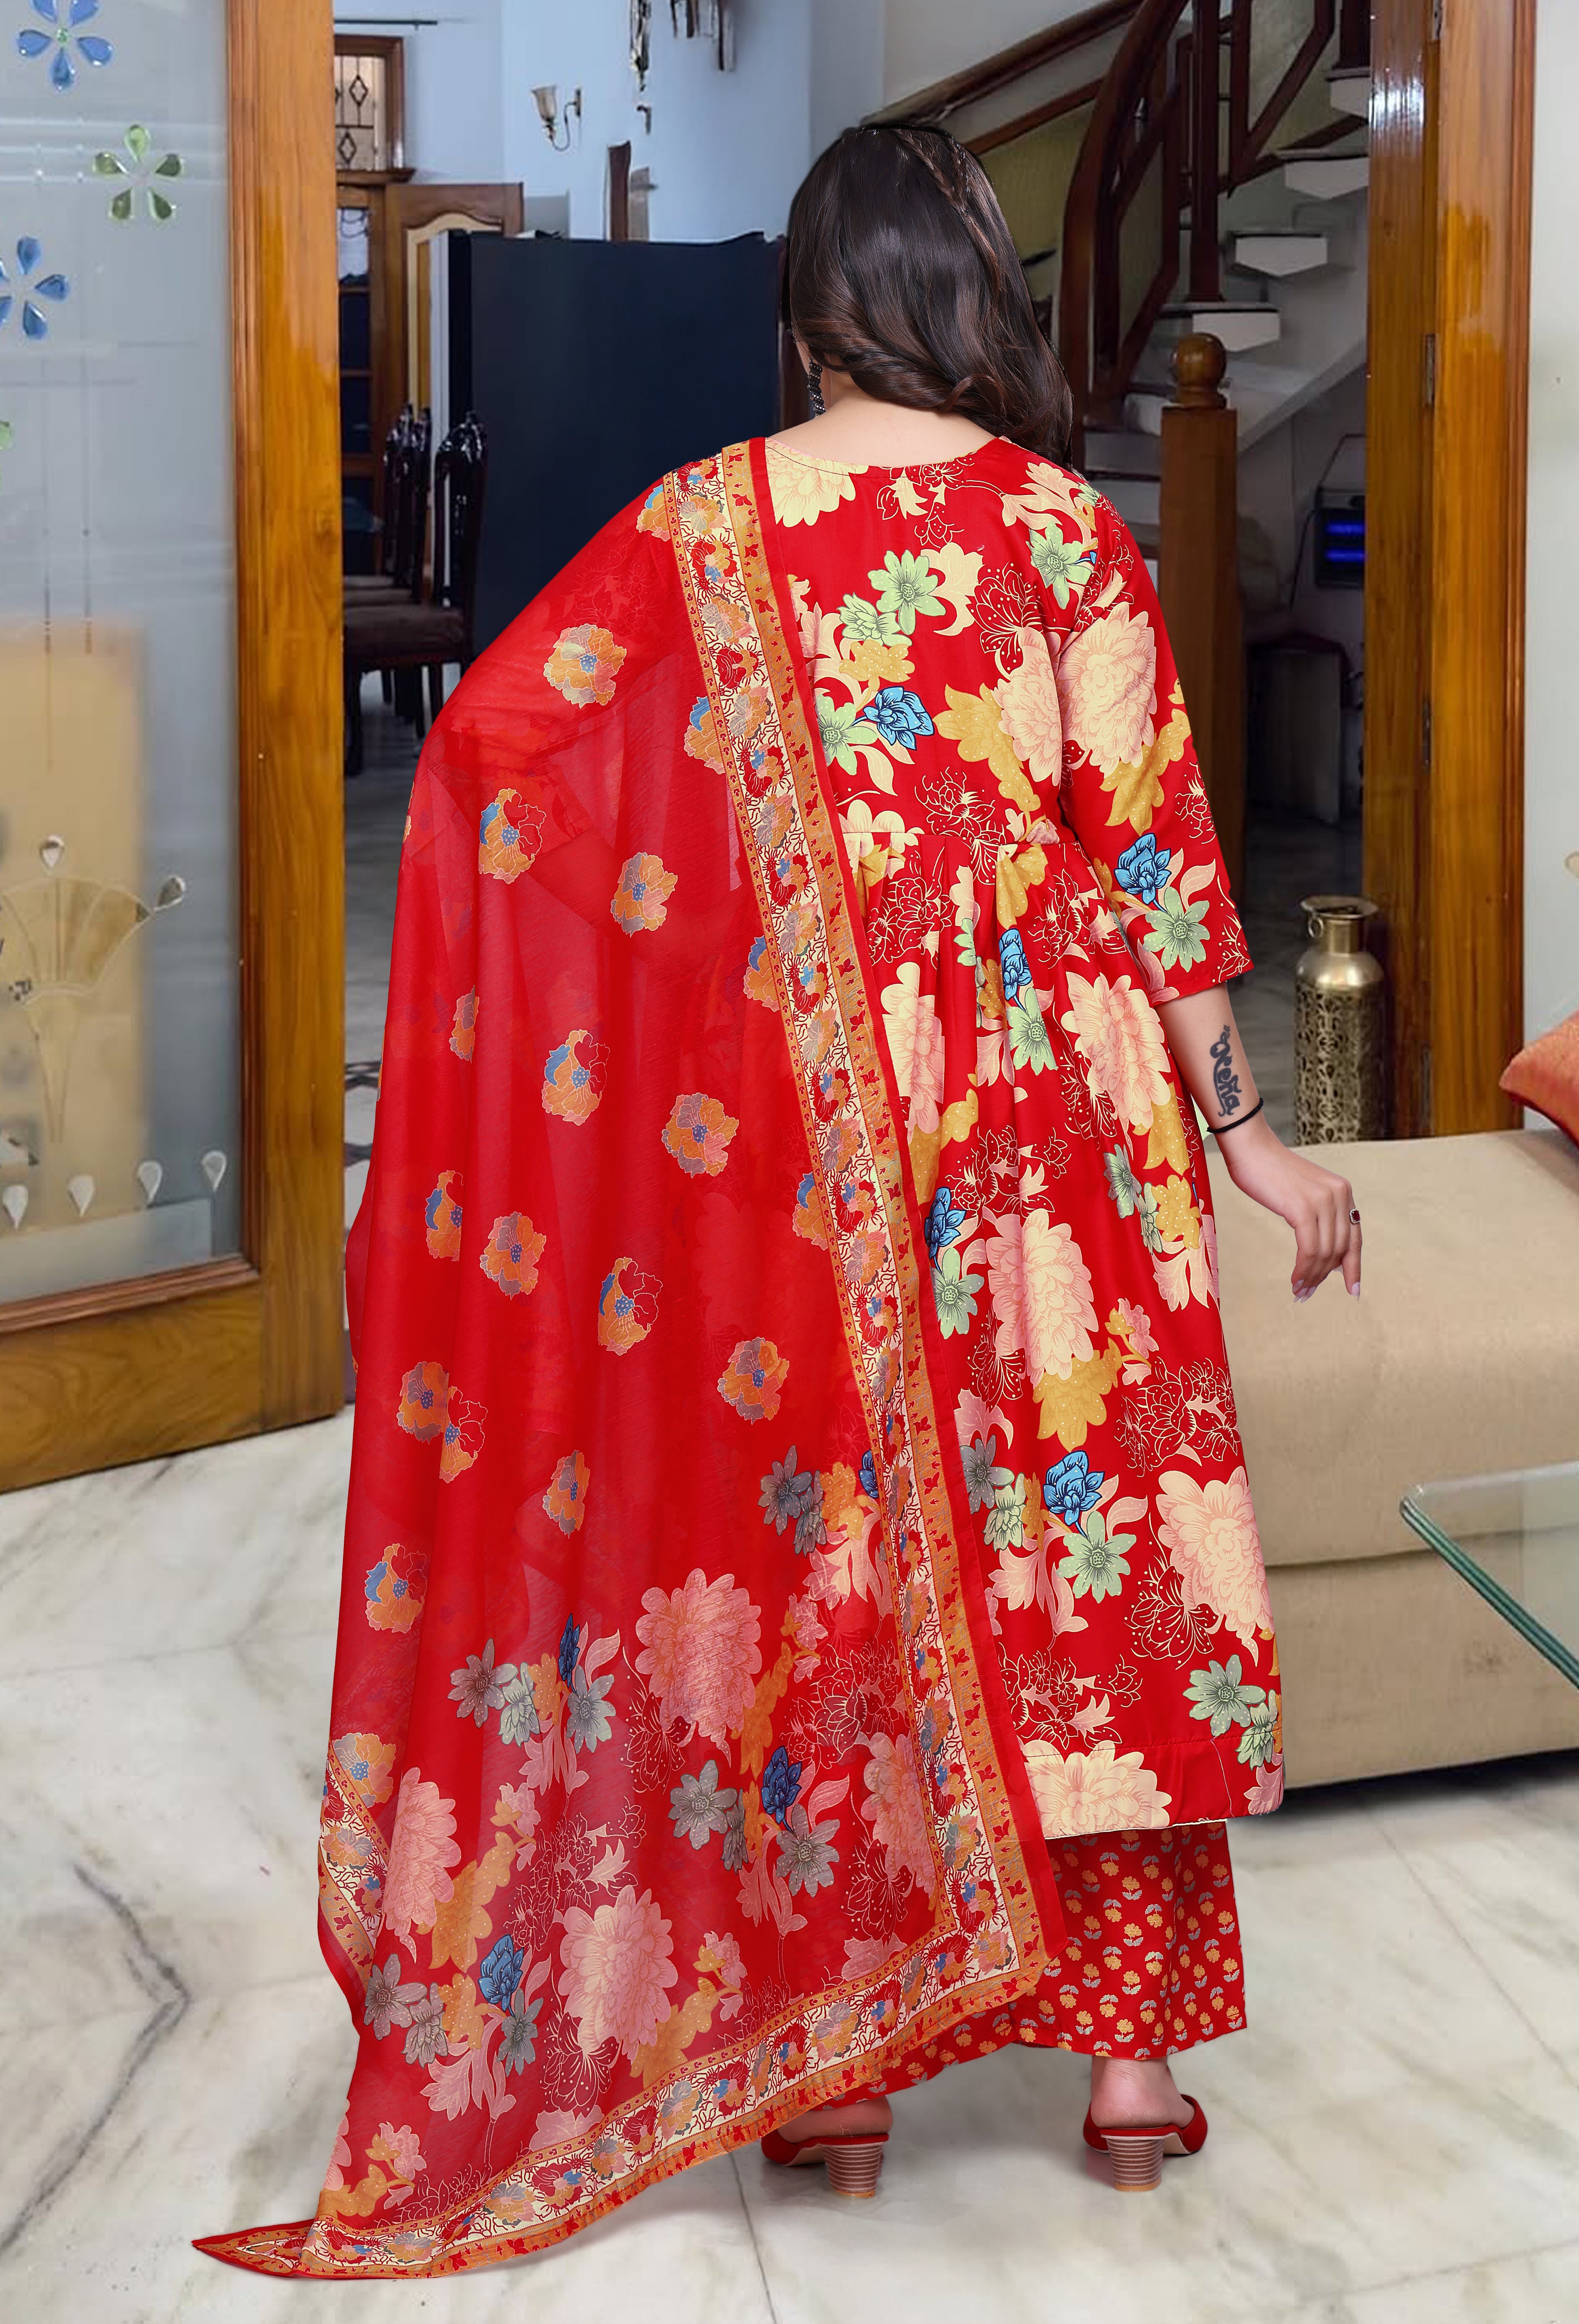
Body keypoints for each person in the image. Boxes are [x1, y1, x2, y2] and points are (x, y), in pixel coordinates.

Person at [199, 124, 1361, 2282]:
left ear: (809, 306)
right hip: (1068, 1110)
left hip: (822, 1115)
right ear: (970, 292)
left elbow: (493, 762)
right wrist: (1253, 1141)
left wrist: (640, 1013)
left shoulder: (703, 524)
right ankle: (1126, 2073)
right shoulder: (1058, 527)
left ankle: (838, 2075)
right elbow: (1155, 859)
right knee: (1089, 1546)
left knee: (836, 1537)